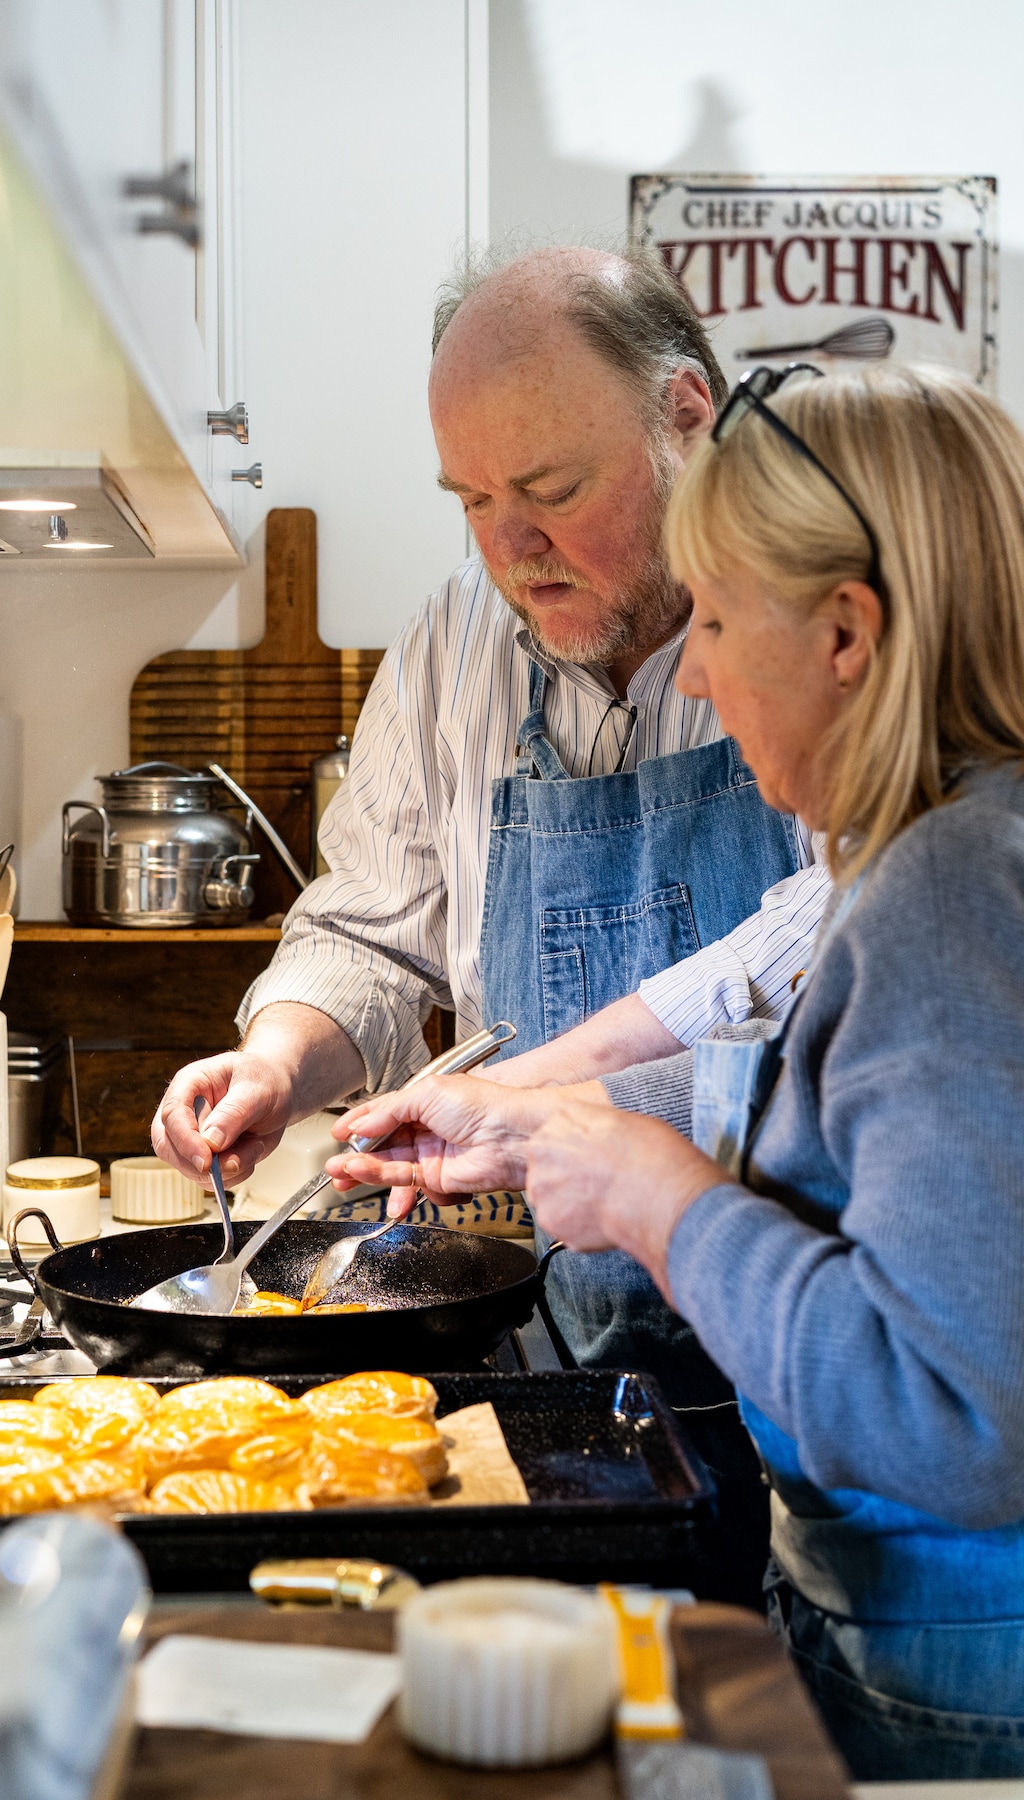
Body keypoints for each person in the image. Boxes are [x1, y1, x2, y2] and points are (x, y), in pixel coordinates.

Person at [327, 361, 1024, 1780]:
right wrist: (537, 1125)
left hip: (957, 1672)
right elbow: (844, 1120)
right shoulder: (964, 844)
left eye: (712, 619)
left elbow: (955, 1420)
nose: (694, 670)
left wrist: (656, 1200)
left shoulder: (951, 889)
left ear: (846, 632)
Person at [152, 246, 833, 1386]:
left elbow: (825, 950)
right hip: (562, 1329)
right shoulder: (449, 645)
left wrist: (526, 1092)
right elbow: (372, 929)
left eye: (554, 492)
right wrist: (275, 1059)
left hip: (801, 1342)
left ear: (686, 417)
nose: (511, 547)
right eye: (473, 500)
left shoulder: (813, 638)